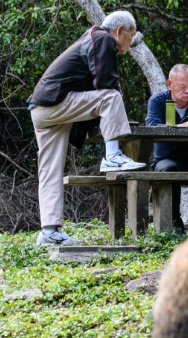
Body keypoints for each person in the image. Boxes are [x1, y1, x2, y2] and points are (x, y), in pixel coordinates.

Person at [27, 10, 146, 246]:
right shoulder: (103, 38)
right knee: (111, 97)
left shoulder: (91, 37)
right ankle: (112, 156)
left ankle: (49, 232)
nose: (131, 43)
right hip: (55, 102)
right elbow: (105, 86)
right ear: (119, 31)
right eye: (131, 36)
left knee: (50, 170)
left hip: (41, 110)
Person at [145, 64, 188, 232]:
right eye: (183, 87)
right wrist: (183, 126)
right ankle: (173, 223)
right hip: (168, 157)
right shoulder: (158, 101)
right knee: (167, 171)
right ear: (169, 84)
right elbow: (152, 126)